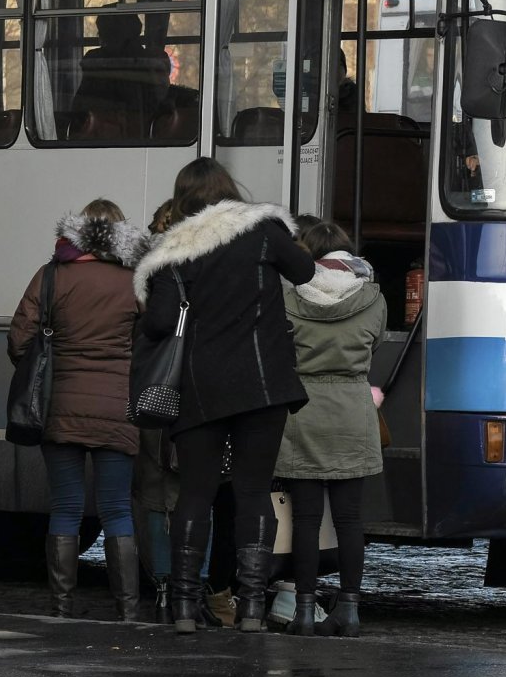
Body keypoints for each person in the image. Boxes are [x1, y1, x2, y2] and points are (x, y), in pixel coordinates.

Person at [134, 158, 316, 634]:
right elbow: (305, 271)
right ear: (229, 190)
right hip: (261, 385)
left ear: (182, 199)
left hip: (198, 387)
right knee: (254, 491)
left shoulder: (174, 251)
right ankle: (252, 607)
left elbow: (156, 322)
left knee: (195, 492)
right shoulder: (260, 230)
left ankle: (185, 609)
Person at [7, 199, 148, 620]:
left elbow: (19, 341)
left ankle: (62, 606)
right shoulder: (136, 281)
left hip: (60, 405)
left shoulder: (51, 275)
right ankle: (127, 609)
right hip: (118, 407)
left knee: (66, 507)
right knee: (118, 508)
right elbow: (152, 342)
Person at [276, 221, 387, 637]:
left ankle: (304, 610)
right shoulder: (372, 297)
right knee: (349, 519)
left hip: (302, 409)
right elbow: (373, 345)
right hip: (351, 412)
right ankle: (350, 610)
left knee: (305, 520)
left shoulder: (289, 294)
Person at [70, 9, 171, 140]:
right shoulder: (154, 61)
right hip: (146, 137)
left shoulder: (96, 61)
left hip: (106, 136)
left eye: (103, 33)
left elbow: (80, 108)